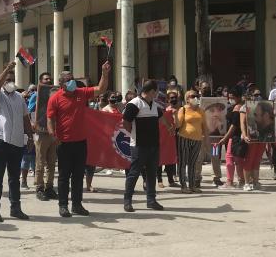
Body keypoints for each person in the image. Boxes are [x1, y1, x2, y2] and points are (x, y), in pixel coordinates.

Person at [47, 62, 111, 217]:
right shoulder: (55, 98)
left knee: (78, 175)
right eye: (68, 80)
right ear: (61, 83)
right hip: (64, 143)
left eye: (72, 78)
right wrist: (53, 135)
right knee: (64, 176)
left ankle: (77, 204)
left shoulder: (80, 92)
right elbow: (50, 119)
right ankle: (63, 205)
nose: (71, 82)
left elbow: (100, 89)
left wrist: (104, 73)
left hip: (81, 142)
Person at [0, 61, 34, 222]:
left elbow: (25, 117)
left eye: (12, 80)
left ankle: (16, 208)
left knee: (15, 177)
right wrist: (6, 68)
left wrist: (29, 136)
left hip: (17, 142)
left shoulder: (19, 98)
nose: (9, 83)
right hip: (0, 140)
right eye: (7, 80)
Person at [122, 80, 175, 212]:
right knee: (134, 173)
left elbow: (161, 117)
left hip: (154, 145)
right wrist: (132, 134)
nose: (157, 94)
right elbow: (126, 122)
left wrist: (169, 127)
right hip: (139, 145)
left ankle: (151, 200)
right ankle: (127, 201)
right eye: (156, 91)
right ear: (151, 91)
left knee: (152, 173)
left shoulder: (155, 105)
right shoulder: (134, 104)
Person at [32, 72, 58, 200]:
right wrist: (34, 124)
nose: (48, 80)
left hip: (53, 133)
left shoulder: (56, 95)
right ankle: (39, 188)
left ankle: (49, 187)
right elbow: (29, 110)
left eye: (50, 78)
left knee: (52, 163)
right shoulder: (36, 95)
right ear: (40, 80)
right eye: (46, 79)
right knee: (40, 162)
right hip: (41, 133)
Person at [176, 90, 209, 194]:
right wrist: (175, 116)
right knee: (183, 163)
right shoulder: (183, 109)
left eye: (196, 96)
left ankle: (192, 185)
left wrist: (207, 140)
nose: (195, 97)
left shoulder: (201, 111)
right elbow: (177, 125)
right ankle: (183, 186)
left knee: (193, 163)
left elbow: (205, 127)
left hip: (198, 139)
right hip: (184, 138)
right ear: (187, 99)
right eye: (192, 96)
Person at [217, 89, 246, 189]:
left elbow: (233, 126)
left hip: (235, 137)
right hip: (236, 137)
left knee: (232, 159)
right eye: (229, 97)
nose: (230, 99)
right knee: (236, 159)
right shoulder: (238, 106)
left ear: (238, 97)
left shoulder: (238, 108)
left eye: (232, 97)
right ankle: (239, 181)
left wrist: (225, 138)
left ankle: (233, 181)